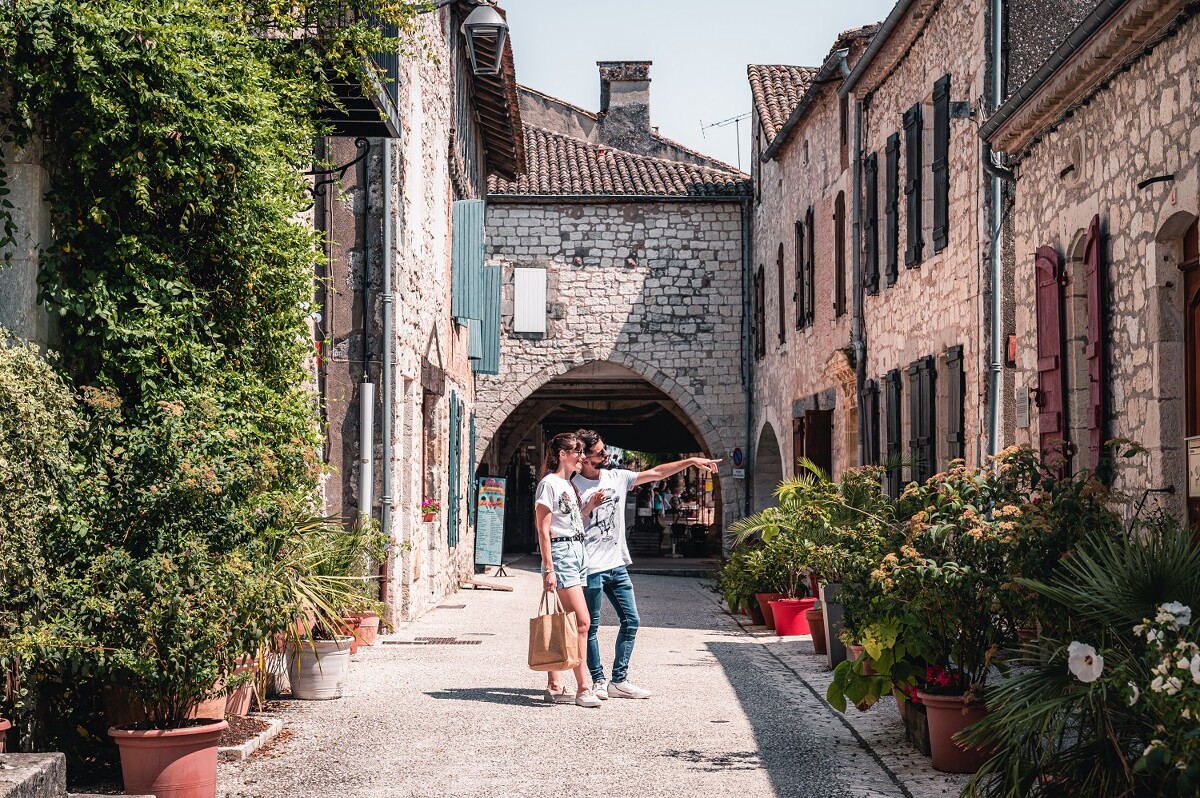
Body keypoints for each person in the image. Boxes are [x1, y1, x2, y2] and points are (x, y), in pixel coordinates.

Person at [571, 430, 720, 700]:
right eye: (600, 453)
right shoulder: (572, 486)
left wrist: (691, 461)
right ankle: (598, 680)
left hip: (617, 565)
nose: (607, 455)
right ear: (585, 459)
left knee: (631, 620)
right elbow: (568, 527)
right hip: (590, 567)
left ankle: (619, 679)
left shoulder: (617, 477)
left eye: (605, 450)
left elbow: (657, 472)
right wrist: (588, 507)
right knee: (590, 627)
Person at [536, 432, 606, 708]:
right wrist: (549, 569)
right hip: (562, 554)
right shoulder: (549, 484)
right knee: (582, 622)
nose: (581, 456)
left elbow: (572, 521)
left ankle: (554, 684)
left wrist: (588, 507)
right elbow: (543, 528)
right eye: (577, 451)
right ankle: (583, 687)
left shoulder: (568, 485)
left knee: (563, 619)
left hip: (577, 552)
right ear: (563, 454)